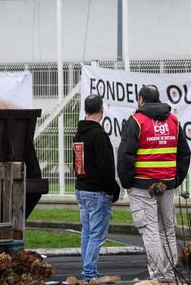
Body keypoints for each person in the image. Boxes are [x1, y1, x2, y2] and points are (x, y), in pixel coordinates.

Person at [117, 85, 191, 282]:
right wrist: (175, 180)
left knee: (150, 231)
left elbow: (125, 155)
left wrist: (127, 183)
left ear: (141, 99)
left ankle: (157, 277)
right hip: (166, 186)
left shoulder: (136, 121)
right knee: (167, 230)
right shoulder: (173, 120)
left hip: (142, 186)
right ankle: (169, 275)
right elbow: (184, 153)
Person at [72, 94, 121, 282]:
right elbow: (106, 167)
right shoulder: (99, 135)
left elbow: (77, 163)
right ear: (102, 110)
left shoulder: (79, 134)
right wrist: (113, 189)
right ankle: (89, 274)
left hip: (82, 189)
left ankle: (88, 271)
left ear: (85, 110)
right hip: (97, 192)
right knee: (96, 235)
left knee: (87, 232)